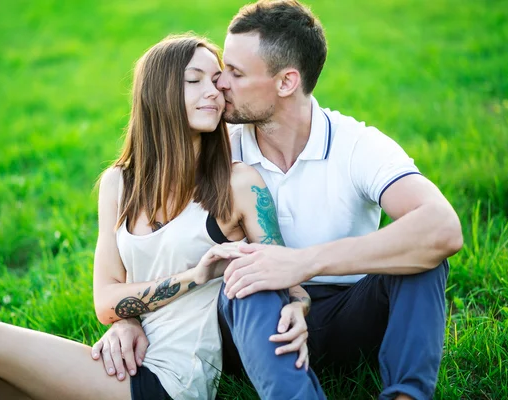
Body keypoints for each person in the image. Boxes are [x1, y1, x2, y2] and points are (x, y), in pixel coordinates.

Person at [96, 1, 464, 400]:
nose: (219, 86)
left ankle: (405, 396)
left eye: (233, 74)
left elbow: (443, 228)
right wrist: (131, 319)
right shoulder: (217, 149)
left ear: (286, 82)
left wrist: (302, 264)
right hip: (249, 330)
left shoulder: (356, 146)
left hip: (348, 314)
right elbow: (149, 247)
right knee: (247, 274)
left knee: (422, 256)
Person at [0, 34, 325, 400]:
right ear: (158, 93)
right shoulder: (118, 184)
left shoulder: (238, 184)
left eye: (217, 80)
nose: (214, 92)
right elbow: (106, 300)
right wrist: (191, 278)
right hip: (123, 363)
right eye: (195, 80)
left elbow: (285, 275)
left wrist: (298, 305)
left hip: (173, 380)